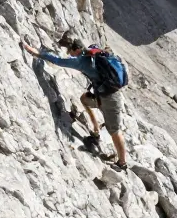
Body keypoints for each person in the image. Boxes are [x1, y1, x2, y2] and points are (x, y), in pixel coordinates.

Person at [22, 33, 129, 169]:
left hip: (110, 98)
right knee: (84, 99)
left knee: (114, 130)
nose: (71, 55)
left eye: (71, 52)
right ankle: (95, 132)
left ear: (76, 49)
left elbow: (58, 61)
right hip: (104, 95)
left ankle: (122, 163)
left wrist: (37, 53)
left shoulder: (80, 61)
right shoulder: (94, 53)